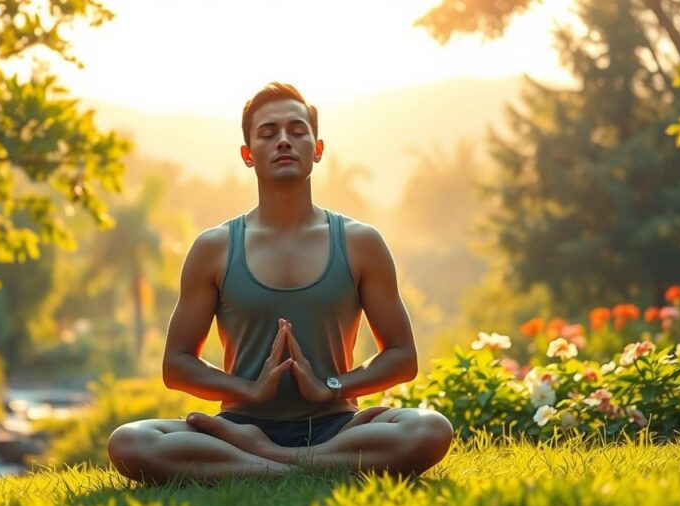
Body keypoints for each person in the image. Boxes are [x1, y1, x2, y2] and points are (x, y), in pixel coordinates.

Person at [106, 82, 453, 485]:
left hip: (335, 425)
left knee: (430, 429)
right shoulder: (214, 247)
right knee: (131, 442)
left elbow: (401, 356)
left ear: (317, 148)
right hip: (237, 429)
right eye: (268, 134)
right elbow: (176, 364)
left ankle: (266, 461)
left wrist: (332, 386)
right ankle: (311, 465)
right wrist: (249, 390)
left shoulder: (361, 242)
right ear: (248, 154)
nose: (284, 141)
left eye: (297, 131)